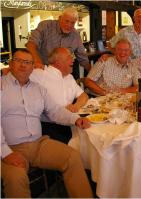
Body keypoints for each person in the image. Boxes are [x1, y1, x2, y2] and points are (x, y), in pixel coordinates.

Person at [1, 49, 93, 198]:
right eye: (18, 61)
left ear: (33, 67)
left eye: (27, 62)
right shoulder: (2, 87)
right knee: (16, 178)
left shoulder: (39, 89)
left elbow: (55, 111)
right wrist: (5, 153)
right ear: (11, 64)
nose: (23, 65)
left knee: (73, 156)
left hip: (38, 144)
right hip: (9, 147)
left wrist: (75, 119)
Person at [30, 47, 89, 143]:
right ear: (57, 62)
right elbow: (17, 73)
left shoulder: (69, 77)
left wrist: (75, 106)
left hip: (70, 121)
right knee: (79, 143)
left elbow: (84, 96)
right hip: (49, 126)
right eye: (69, 57)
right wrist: (31, 65)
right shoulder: (40, 74)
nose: (73, 60)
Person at [26, 7, 90, 79]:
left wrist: (92, 74)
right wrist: (37, 61)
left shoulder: (75, 35)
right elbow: (31, 44)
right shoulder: (45, 26)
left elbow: (83, 58)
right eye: (67, 21)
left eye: (72, 23)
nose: (69, 25)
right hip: (43, 72)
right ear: (60, 18)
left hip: (62, 75)